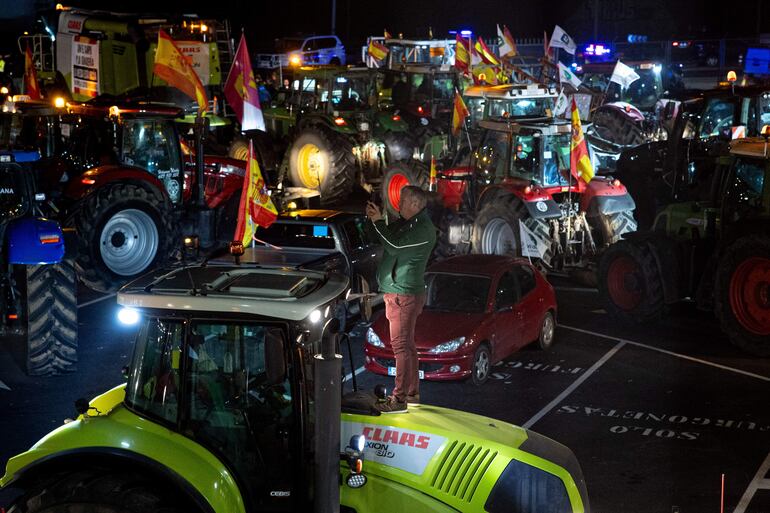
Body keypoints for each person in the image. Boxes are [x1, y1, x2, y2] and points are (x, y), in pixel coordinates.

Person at [366, 186, 436, 413]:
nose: (399, 204)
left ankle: (399, 399)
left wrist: (378, 222)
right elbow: (390, 234)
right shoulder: (412, 223)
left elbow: (394, 245)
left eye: (403, 200)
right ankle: (412, 393)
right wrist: (381, 218)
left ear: (416, 204)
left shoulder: (423, 229)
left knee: (400, 347)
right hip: (400, 293)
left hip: (403, 295)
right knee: (407, 346)